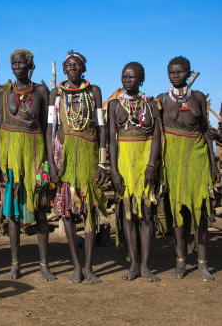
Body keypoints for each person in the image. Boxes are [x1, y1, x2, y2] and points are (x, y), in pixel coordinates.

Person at [157, 56, 219, 281]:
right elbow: (156, 135)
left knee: (200, 211)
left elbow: (206, 132)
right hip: (173, 161)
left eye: (180, 72)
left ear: (188, 72)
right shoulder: (161, 100)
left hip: (197, 158)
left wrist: (213, 165)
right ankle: (180, 262)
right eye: (171, 72)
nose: (175, 75)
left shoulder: (199, 97)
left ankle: (203, 264)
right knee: (178, 213)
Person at [46, 51, 106, 283]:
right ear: (63, 70)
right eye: (69, 65)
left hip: (89, 157)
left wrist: (101, 161)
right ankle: (76, 267)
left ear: (83, 69)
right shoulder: (57, 94)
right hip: (64, 157)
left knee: (90, 210)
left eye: (77, 65)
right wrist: (52, 162)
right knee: (68, 213)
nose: (73, 68)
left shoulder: (94, 92)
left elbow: (101, 128)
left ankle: (89, 268)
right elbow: (51, 128)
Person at [0, 49, 54, 281]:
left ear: (30, 66)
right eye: (14, 63)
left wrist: (49, 161)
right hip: (10, 156)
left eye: (21, 63)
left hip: (35, 153)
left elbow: (47, 127)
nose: (17, 66)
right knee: (13, 213)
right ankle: (15, 264)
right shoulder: (3, 92)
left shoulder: (41, 91)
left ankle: (43, 264)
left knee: (40, 210)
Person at [108, 62, 161, 282]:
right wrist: (114, 170)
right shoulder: (114, 105)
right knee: (128, 215)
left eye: (132, 77)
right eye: (124, 77)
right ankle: (133, 264)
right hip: (123, 165)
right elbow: (112, 139)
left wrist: (151, 166)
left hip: (145, 164)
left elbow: (157, 137)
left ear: (141, 79)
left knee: (147, 214)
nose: (127, 80)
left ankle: (146, 265)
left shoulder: (151, 104)